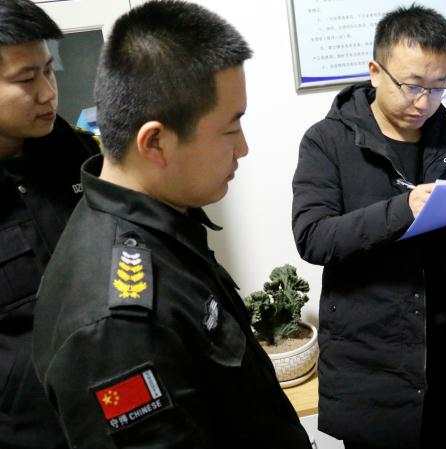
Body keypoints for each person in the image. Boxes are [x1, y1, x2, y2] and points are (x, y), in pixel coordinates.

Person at [32, 2, 311, 448]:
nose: (243, 148)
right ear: (156, 142)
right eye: (230, 128)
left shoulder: (161, 221)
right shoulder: (116, 327)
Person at [292, 5, 446, 449]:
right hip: (371, 363)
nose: (424, 102)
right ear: (375, 71)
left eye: (439, 87)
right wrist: (403, 209)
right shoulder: (327, 141)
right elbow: (313, 237)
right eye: (412, 85)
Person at [0, 1, 100, 447]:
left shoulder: (84, 158)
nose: (47, 93)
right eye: (26, 79)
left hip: (113, 401)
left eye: (48, 71)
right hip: (27, 430)